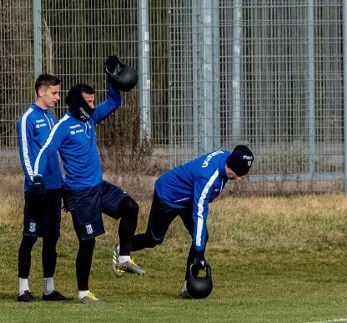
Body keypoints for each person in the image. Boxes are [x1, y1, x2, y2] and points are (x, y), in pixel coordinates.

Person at [32, 56, 145, 304]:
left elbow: (115, 101)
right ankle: (83, 293)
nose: (94, 106)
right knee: (88, 241)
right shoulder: (62, 126)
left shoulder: (90, 118)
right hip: (78, 194)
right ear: (78, 102)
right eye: (89, 102)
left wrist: (111, 76)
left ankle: (124, 258)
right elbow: (44, 152)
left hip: (99, 187)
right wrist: (37, 177)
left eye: (94, 102)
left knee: (131, 207)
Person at [129, 145, 254, 299]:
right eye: (238, 174)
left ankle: (188, 287)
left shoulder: (227, 158)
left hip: (188, 197)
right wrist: (200, 254)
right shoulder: (207, 178)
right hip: (168, 195)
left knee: (202, 236)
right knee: (153, 239)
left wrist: (199, 250)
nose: (240, 179)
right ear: (231, 165)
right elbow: (199, 213)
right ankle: (122, 248)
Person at [15, 74, 69, 302]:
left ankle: (49, 289)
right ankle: (23, 289)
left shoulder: (52, 119)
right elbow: (25, 152)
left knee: (52, 237)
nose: (58, 97)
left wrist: (64, 184)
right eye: (54, 93)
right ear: (41, 91)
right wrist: (34, 179)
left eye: (58, 93)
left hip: (55, 187)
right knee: (30, 236)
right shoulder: (28, 118)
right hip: (38, 188)